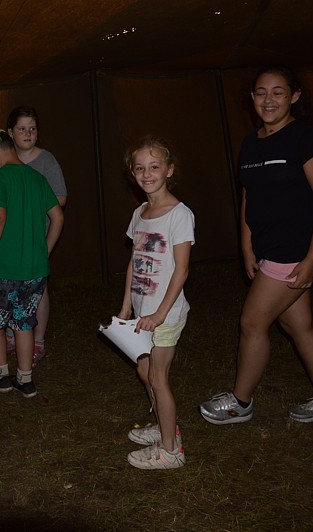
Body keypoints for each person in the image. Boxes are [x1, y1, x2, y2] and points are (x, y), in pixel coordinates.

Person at [199, 65, 313, 425]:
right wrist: (247, 245)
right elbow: (249, 197)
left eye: (278, 92)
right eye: (261, 92)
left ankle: (240, 403)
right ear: (252, 98)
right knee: (299, 325)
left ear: (294, 96)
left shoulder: (308, 141)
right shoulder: (252, 143)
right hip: (272, 247)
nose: (269, 100)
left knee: (252, 322)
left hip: (296, 250)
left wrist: (311, 260)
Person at [117, 135, 194, 470]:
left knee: (158, 378)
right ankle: (164, 426)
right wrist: (126, 307)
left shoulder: (179, 214)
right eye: (140, 168)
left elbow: (181, 270)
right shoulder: (140, 213)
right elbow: (134, 262)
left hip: (165, 314)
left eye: (154, 167)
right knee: (144, 369)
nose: (147, 174)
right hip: (142, 312)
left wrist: (161, 313)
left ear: (169, 170)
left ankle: (171, 451)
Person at [0, 128, 64, 398]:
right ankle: (25, 380)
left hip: (4, 267)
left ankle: (0, 377)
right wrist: (44, 251)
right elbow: (58, 217)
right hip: (34, 269)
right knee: (24, 322)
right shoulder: (36, 178)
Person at [4, 107, 68, 368]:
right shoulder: (5, 160)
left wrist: (31, 201)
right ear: (10, 132)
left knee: (38, 289)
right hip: (11, 239)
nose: (28, 133)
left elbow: (61, 198)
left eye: (32, 128)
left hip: (36, 237)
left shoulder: (46, 161)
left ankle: (38, 340)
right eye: (22, 129)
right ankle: (12, 334)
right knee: (9, 286)